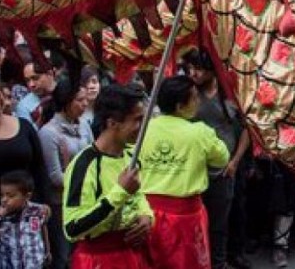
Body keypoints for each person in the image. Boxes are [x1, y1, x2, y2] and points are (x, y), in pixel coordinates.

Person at [140, 75, 230, 269]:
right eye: (195, 98)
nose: (198, 102)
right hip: (185, 217)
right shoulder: (199, 132)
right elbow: (222, 157)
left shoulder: (144, 129)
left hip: (147, 213)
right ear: (180, 106)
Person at [62, 84, 153, 268]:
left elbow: (137, 195)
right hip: (98, 259)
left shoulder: (131, 156)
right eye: (138, 120)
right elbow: (72, 228)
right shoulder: (84, 165)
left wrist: (147, 216)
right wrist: (119, 192)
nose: (143, 127)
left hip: (132, 255)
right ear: (112, 123)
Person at [183, 49, 251, 269]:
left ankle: (220, 262)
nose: (193, 73)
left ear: (212, 70)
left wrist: (235, 161)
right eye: (190, 68)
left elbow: (246, 129)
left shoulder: (229, 92)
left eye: (199, 69)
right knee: (196, 222)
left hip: (225, 169)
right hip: (195, 168)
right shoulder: (188, 93)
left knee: (221, 223)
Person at [0, 79, 47, 268]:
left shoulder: (24, 127)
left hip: (27, 218)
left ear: (3, 98)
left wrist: (42, 207)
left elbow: (39, 169)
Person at [38, 79, 94, 268]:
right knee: (63, 255)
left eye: (86, 100)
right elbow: (55, 176)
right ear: (65, 101)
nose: (85, 104)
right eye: (80, 100)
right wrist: (87, 183)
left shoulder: (85, 124)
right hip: (61, 204)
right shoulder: (49, 133)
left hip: (86, 200)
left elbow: (94, 154)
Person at [0, 170, 50, 269]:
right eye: (2, 195)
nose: (4, 199)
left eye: (10, 196)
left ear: (27, 196)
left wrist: (47, 250)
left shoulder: (37, 210)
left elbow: (43, 226)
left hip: (33, 264)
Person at [17, 59, 58, 127]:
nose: (31, 85)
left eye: (35, 78)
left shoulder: (67, 91)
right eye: (27, 80)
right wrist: (41, 119)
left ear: (50, 74)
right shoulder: (23, 106)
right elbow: (29, 135)